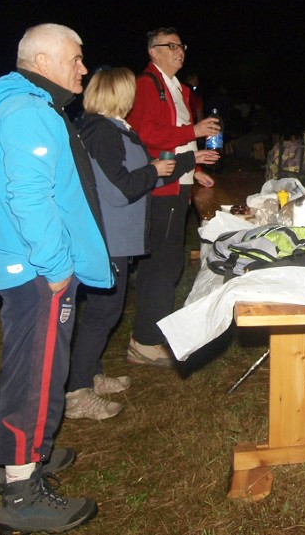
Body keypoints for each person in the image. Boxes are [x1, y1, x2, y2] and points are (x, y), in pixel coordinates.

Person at [0, 23, 111, 534]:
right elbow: (28, 198)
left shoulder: (27, 107)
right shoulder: (30, 112)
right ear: (44, 60)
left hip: (27, 266)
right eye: (75, 58)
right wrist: (56, 267)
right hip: (37, 270)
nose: (82, 67)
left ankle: (13, 461)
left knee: (26, 366)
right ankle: (22, 495)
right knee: (38, 376)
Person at [67, 68, 218, 420]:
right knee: (103, 313)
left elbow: (147, 167)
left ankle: (89, 372)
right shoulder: (103, 131)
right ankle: (76, 392)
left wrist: (187, 161)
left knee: (105, 311)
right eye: (130, 91)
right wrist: (153, 172)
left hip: (118, 235)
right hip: (110, 237)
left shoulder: (113, 127)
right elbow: (121, 189)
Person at [125, 28, 220, 366]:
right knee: (160, 265)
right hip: (160, 186)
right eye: (172, 45)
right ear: (154, 52)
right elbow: (144, 133)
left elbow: (176, 141)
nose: (180, 51)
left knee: (170, 262)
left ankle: (155, 333)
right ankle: (145, 342)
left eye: (182, 45)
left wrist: (193, 169)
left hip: (177, 182)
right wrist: (193, 131)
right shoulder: (146, 84)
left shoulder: (177, 88)